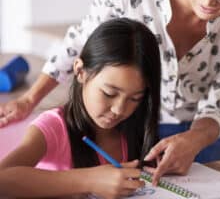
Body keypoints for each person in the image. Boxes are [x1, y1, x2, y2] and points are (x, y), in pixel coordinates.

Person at [0, 0, 220, 183]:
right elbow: (79, 45)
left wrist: (196, 138)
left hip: (212, 128)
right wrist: (29, 100)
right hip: (145, 122)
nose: (208, 0)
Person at [0, 18, 161, 198]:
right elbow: (2, 179)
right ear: (80, 71)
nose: (119, 109)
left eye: (135, 98)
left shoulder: (136, 125)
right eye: (109, 93)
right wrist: (89, 180)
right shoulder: (54, 127)